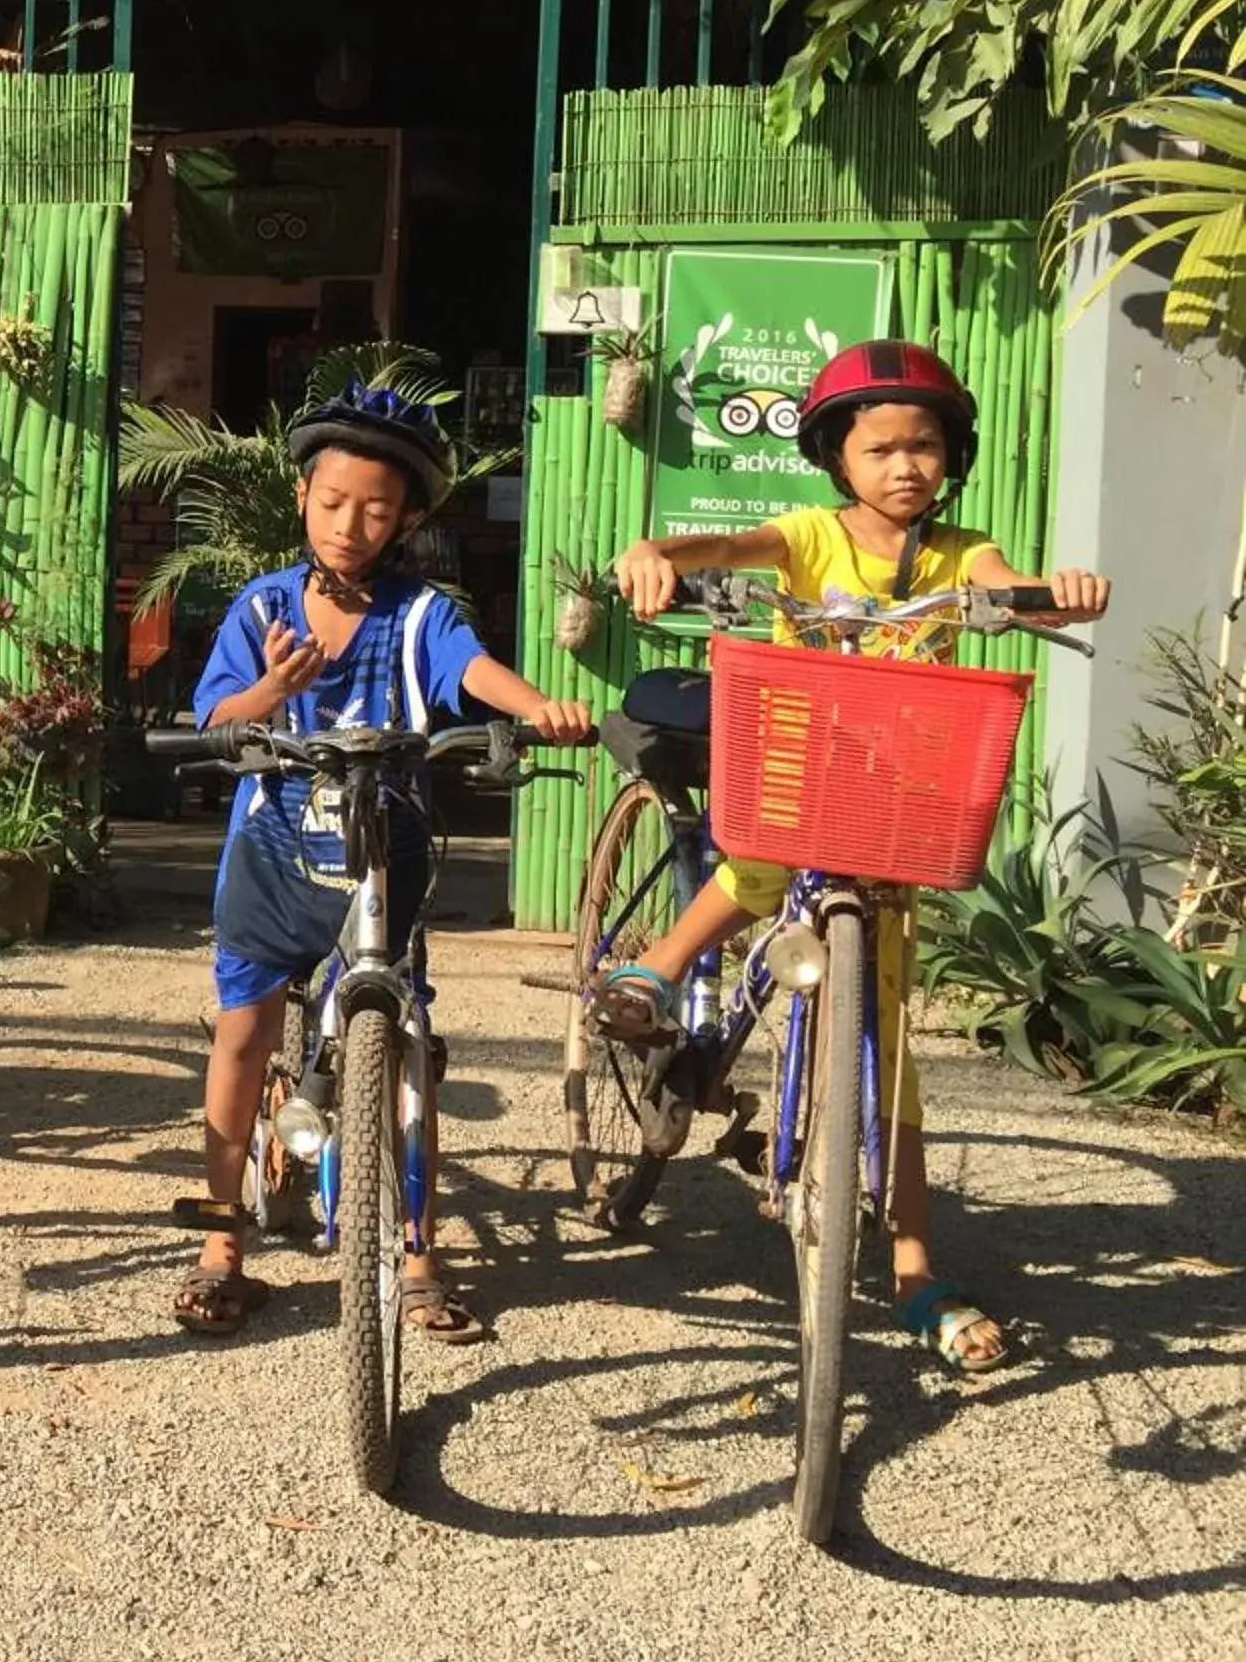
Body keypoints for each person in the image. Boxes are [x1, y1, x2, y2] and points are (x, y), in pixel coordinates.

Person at [603, 339, 1109, 1374]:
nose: (904, 465)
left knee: (891, 1056)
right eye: (878, 447)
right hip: (802, 762)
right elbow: (729, 546)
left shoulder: (963, 551)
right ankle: (654, 969)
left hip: (900, 796)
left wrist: (1054, 595)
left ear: (950, 455)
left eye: (923, 445)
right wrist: (661, 551)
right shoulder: (806, 536)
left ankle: (917, 1269)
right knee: (751, 860)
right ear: (839, 459)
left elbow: (1014, 586)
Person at [175, 384, 591, 1339]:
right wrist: (272, 689)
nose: (352, 525)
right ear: (301, 500)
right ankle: (219, 1239)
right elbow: (215, 722)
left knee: (407, 1055)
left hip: (382, 866)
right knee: (242, 1035)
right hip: (274, 857)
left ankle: (417, 1252)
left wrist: (533, 709)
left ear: (405, 516)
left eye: (376, 508)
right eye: (333, 503)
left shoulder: (419, 614)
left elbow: (469, 669)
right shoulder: (263, 605)